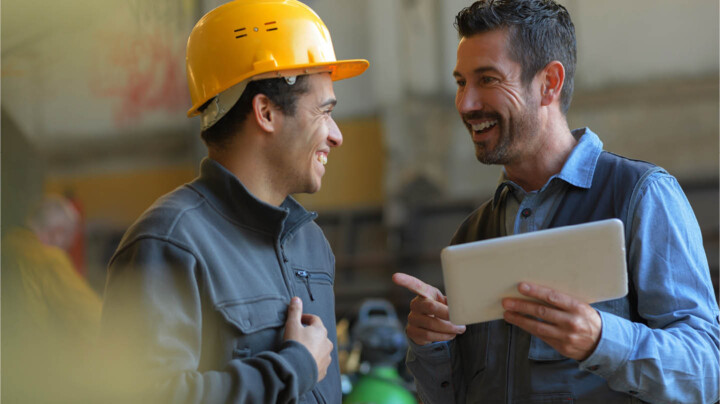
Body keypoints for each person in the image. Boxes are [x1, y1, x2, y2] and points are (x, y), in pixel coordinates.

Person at [392, 1, 720, 403]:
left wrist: (601, 339)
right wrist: (431, 346)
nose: (466, 104)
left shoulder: (641, 195)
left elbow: (705, 371)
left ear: (549, 82)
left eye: (488, 79)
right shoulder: (471, 235)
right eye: (461, 82)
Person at [99, 0, 368, 402]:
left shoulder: (310, 243)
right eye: (323, 111)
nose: (336, 134)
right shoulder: (169, 243)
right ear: (266, 112)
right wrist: (292, 368)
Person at [2, 194, 102, 402]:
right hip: (34, 376)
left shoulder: (5, 247)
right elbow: (93, 319)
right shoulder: (47, 259)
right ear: (57, 233)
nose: (64, 250)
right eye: (66, 243)